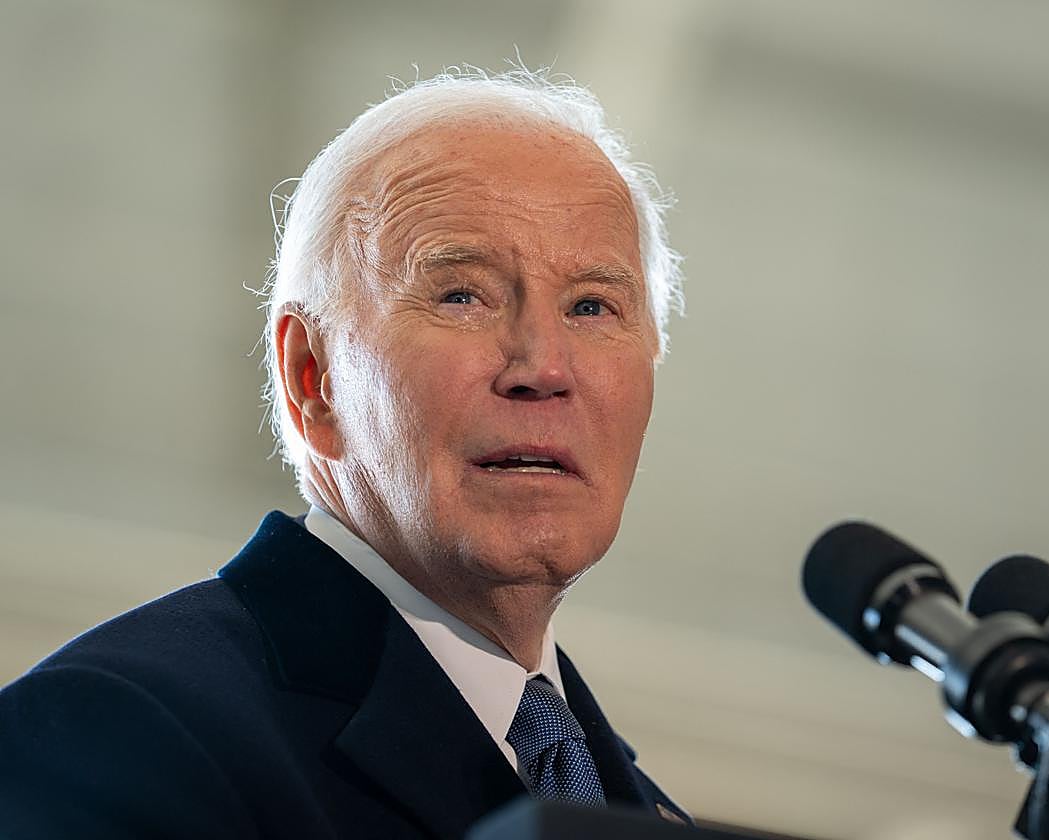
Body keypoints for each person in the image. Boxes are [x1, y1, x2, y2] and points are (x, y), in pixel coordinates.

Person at [0, 67, 687, 839]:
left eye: (592, 306)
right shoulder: (116, 734)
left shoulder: (625, 803)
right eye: (462, 295)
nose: (544, 368)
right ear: (313, 377)